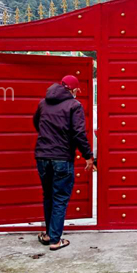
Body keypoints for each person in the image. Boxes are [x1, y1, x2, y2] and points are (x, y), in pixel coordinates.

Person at [33, 74, 94, 251]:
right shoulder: (74, 105)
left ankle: (48, 234)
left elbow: (36, 123)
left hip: (42, 156)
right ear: (72, 89)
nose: (77, 92)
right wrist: (88, 155)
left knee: (48, 195)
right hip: (61, 157)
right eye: (77, 89)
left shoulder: (43, 103)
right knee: (60, 197)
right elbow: (78, 133)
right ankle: (55, 240)